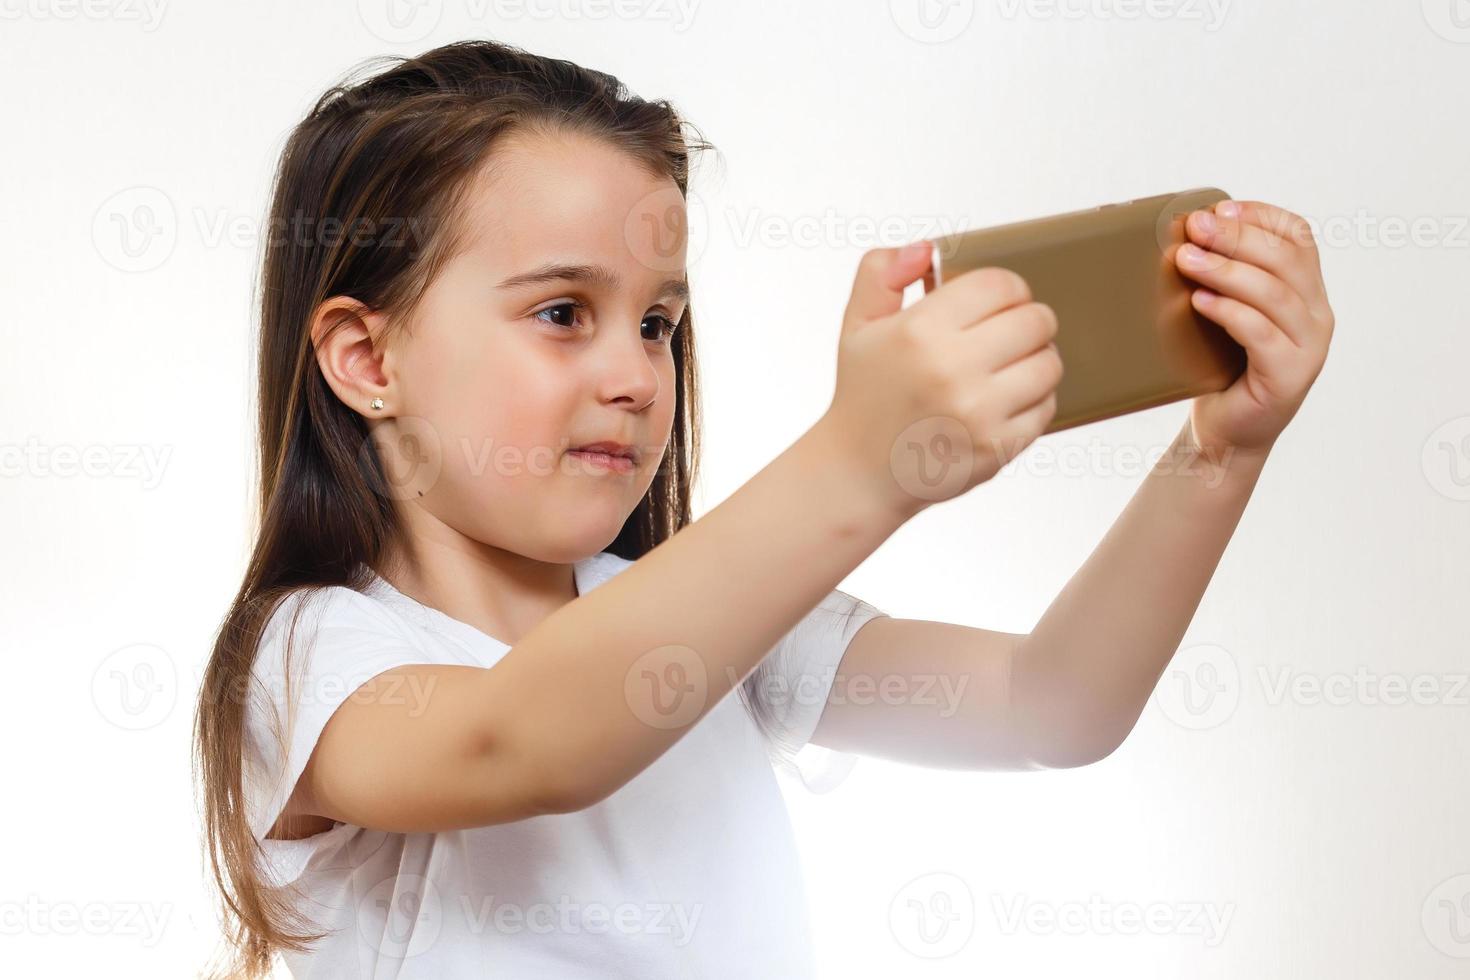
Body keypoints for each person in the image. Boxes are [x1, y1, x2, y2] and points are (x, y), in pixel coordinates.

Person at [191, 37, 1335, 980]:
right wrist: (860, 464)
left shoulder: (721, 619)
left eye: (657, 323)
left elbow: (1055, 706)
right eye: (560, 312)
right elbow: (522, 739)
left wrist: (1221, 453)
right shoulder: (307, 658)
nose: (637, 375)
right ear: (363, 355)